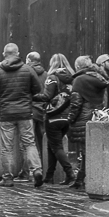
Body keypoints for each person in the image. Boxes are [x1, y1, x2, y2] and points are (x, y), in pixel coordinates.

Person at [0, 43, 47, 188]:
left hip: (6, 113)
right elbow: (37, 88)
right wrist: (27, 97)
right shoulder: (27, 69)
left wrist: (0, 104)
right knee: (30, 143)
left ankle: (7, 177)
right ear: (18, 53)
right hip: (25, 112)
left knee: (7, 147)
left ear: (3, 54)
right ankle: (36, 170)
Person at [66, 55, 109, 190]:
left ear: (78, 67)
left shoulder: (79, 80)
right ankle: (82, 177)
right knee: (91, 150)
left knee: (85, 151)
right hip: (96, 116)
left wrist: (70, 119)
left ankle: (84, 178)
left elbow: (76, 103)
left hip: (83, 119)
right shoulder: (98, 78)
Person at [41, 53, 78, 184]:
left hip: (53, 116)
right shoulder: (73, 78)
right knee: (52, 146)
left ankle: (70, 173)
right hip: (66, 117)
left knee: (56, 147)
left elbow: (47, 96)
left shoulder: (52, 77)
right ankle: (49, 175)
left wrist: (32, 97)